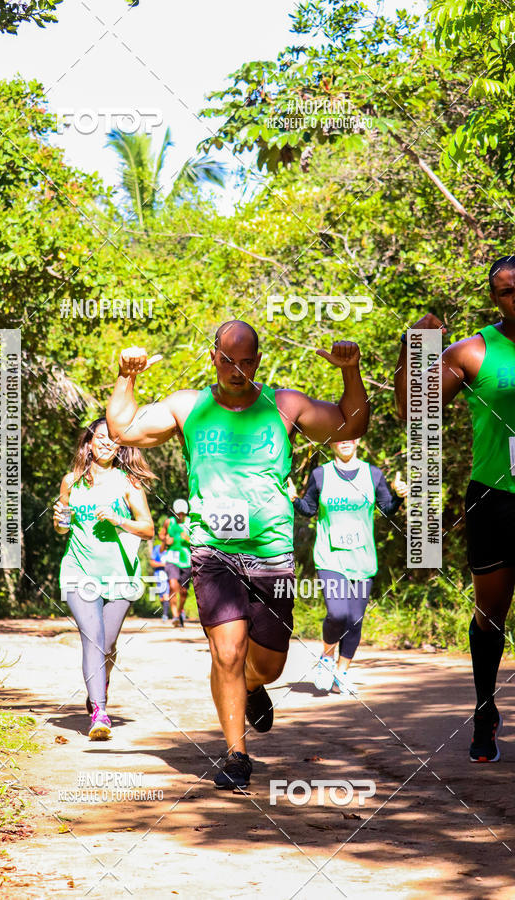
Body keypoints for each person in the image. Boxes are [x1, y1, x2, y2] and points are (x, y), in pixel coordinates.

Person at [106, 320, 369, 789]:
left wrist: (351, 372)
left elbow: (353, 424)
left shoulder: (285, 404)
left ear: (258, 362)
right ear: (214, 359)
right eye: (228, 360)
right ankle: (235, 754)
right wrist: (127, 376)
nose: (237, 370)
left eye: (247, 361)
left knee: (269, 664)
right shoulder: (190, 406)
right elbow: (122, 429)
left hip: (273, 555)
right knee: (226, 652)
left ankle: (252, 687)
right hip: (213, 552)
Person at [394, 256, 515, 763]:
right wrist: (410, 348)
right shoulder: (473, 351)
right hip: (496, 497)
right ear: (495, 298)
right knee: (491, 611)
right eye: (507, 291)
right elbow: (412, 413)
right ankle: (485, 709)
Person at [53, 417, 154, 741]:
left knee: (107, 645)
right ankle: (100, 711)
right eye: (101, 438)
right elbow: (63, 526)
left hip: (120, 576)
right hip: (79, 570)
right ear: (90, 442)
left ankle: (99, 686)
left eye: (114, 439)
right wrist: (59, 520)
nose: (107, 443)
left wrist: (118, 519)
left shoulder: (129, 484)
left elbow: (148, 528)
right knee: (93, 639)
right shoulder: (71, 481)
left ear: (121, 445)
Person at [289, 439, 407, 695]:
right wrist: (294, 499)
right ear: (330, 443)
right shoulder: (321, 474)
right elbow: (309, 509)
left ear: (359, 440)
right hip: (330, 557)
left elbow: (386, 509)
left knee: (355, 619)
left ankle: (341, 673)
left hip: (362, 560)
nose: (345, 441)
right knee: (338, 613)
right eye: (338, 437)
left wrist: (398, 496)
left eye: (350, 436)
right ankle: (326, 659)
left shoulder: (373, 474)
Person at [163, 499, 192, 627]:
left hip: (186, 559)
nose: (180, 515)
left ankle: (180, 611)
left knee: (184, 591)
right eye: (178, 513)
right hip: (171, 558)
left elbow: (201, 539)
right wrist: (165, 540)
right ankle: (175, 616)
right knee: (173, 585)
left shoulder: (191, 522)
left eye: (182, 513)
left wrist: (190, 539)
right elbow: (161, 535)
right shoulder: (169, 522)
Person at [149, 522, 171, 621]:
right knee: (162, 597)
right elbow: (152, 563)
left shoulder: (173, 549)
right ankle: (166, 611)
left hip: (171, 575)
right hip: (160, 575)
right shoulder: (157, 549)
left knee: (168, 595)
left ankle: (166, 615)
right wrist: (164, 565)